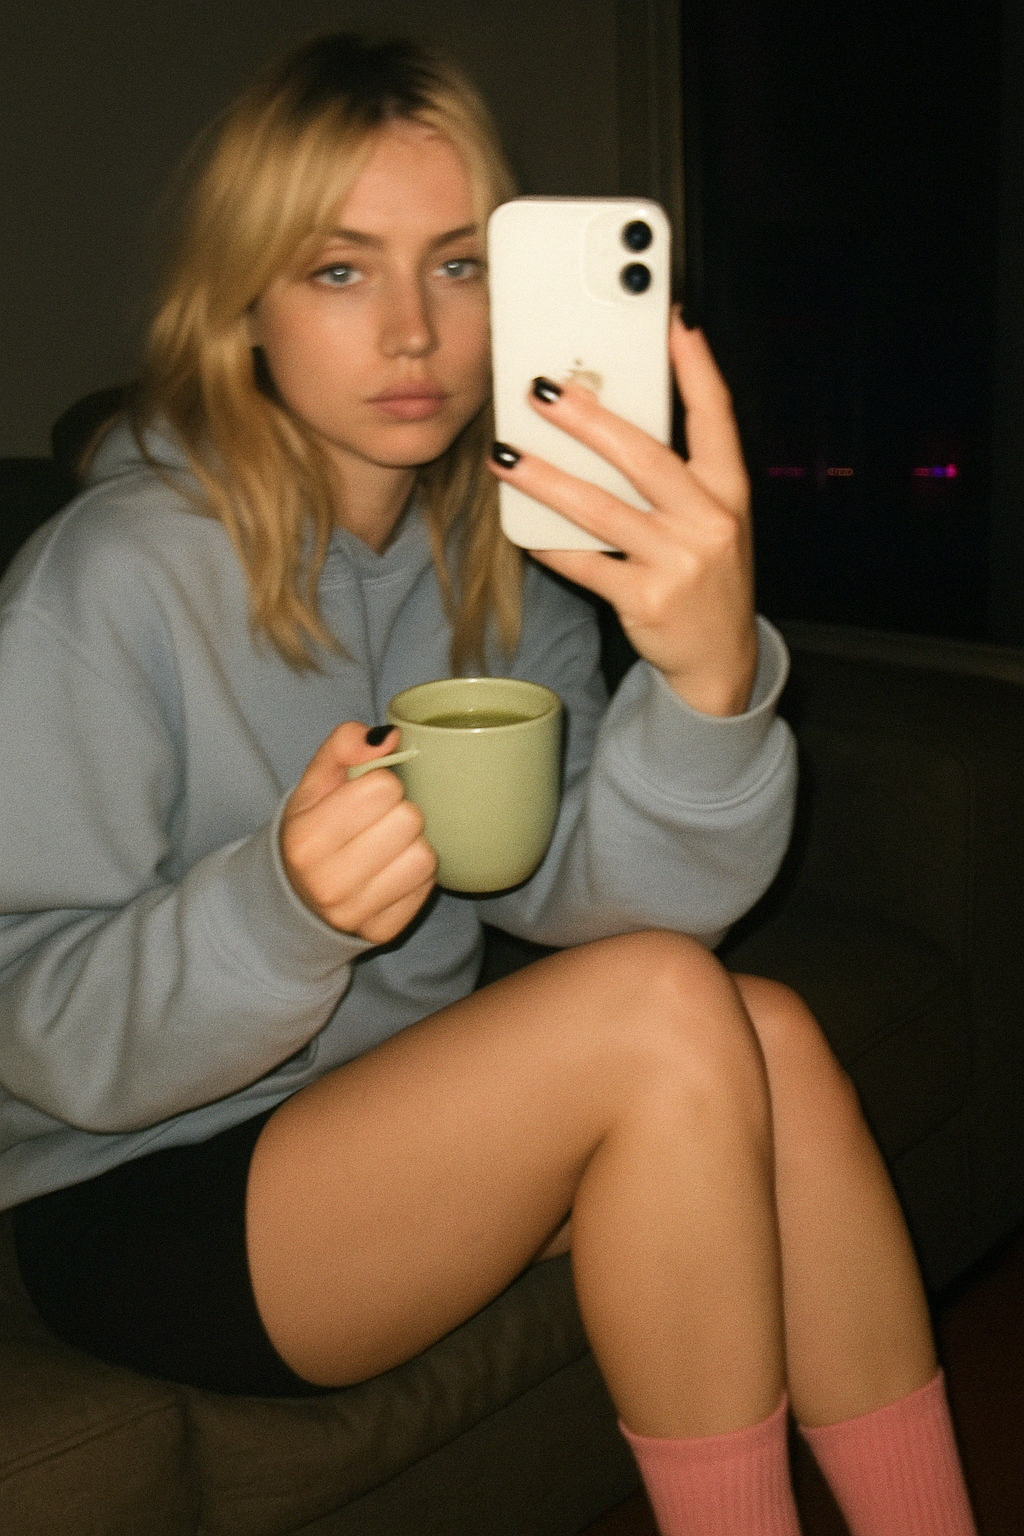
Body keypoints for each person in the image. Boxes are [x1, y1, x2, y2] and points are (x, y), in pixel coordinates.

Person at [0, 32, 976, 1536]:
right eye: (340, 270)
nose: (411, 331)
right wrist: (277, 913)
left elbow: (606, 908)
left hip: (388, 1124)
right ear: (243, 301)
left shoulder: (494, 575)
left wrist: (706, 686)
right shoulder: (112, 575)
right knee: (663, 1011)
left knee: (759, 1029)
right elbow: (31, 1021)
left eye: (458, 268)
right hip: (147, 1193)